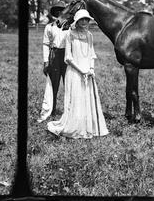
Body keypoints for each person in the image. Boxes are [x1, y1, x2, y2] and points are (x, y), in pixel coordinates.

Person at [47, 9, 109, 139]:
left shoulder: (90, 35)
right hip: (75, 71)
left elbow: (92, 54)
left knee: (87, 98)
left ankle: (88, 127)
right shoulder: (70, 34)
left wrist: (91, 69)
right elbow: (68, 58)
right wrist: (82, 71)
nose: (85, 22)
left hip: (88, 72)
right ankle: (75, 126)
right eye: (82, 19)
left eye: (87, 19)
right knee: (76, 98)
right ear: (77, 21)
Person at [37, 3, 68, 122]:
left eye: (62, 12)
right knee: (53, 84)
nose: (60, 14)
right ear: (55, 15)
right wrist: (46, 61)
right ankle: (52, 109)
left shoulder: (70, 27)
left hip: (67, 56)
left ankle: (68, 110)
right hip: (54, 55)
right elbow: (45, 44)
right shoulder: (49, 27)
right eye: (58, 13)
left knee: (69, 84)